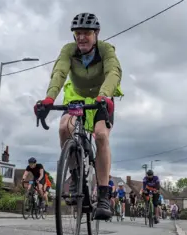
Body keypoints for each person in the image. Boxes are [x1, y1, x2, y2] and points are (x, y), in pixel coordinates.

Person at [34, 12, 123, 220]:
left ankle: (102, 195)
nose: (81, 38)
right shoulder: (68, 50)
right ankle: (76, 178)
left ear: (96, 34)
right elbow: (59, 73)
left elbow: (113, 72)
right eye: (78, 33)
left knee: (101, 135)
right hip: (76, 94)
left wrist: (105, 95)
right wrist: (49, 98)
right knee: (64, 127)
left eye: (87, 33)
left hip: (102, 94)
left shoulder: (106, 50)